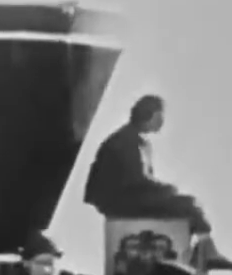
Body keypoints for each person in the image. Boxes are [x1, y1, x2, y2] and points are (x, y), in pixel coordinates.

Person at [82, 94, 214, 236]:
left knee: (183, 209)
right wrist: (166, 189)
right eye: (159, 116)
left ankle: (189, 244)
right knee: (189, 205)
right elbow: (136, 179)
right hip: (123, 202)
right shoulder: (127, 140)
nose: (161, 121)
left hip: (124, 201)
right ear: (148, 114)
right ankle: (205, 246)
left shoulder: (132, 138)